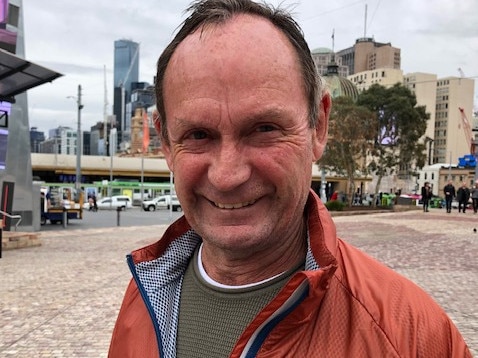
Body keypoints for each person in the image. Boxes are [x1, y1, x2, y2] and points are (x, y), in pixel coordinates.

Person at [108, 1, 472, 357]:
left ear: (319, 125)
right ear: (167, 142)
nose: (227, 175)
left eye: (264, 128)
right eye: (199, 135)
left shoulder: (411, 335)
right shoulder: (143, 294)